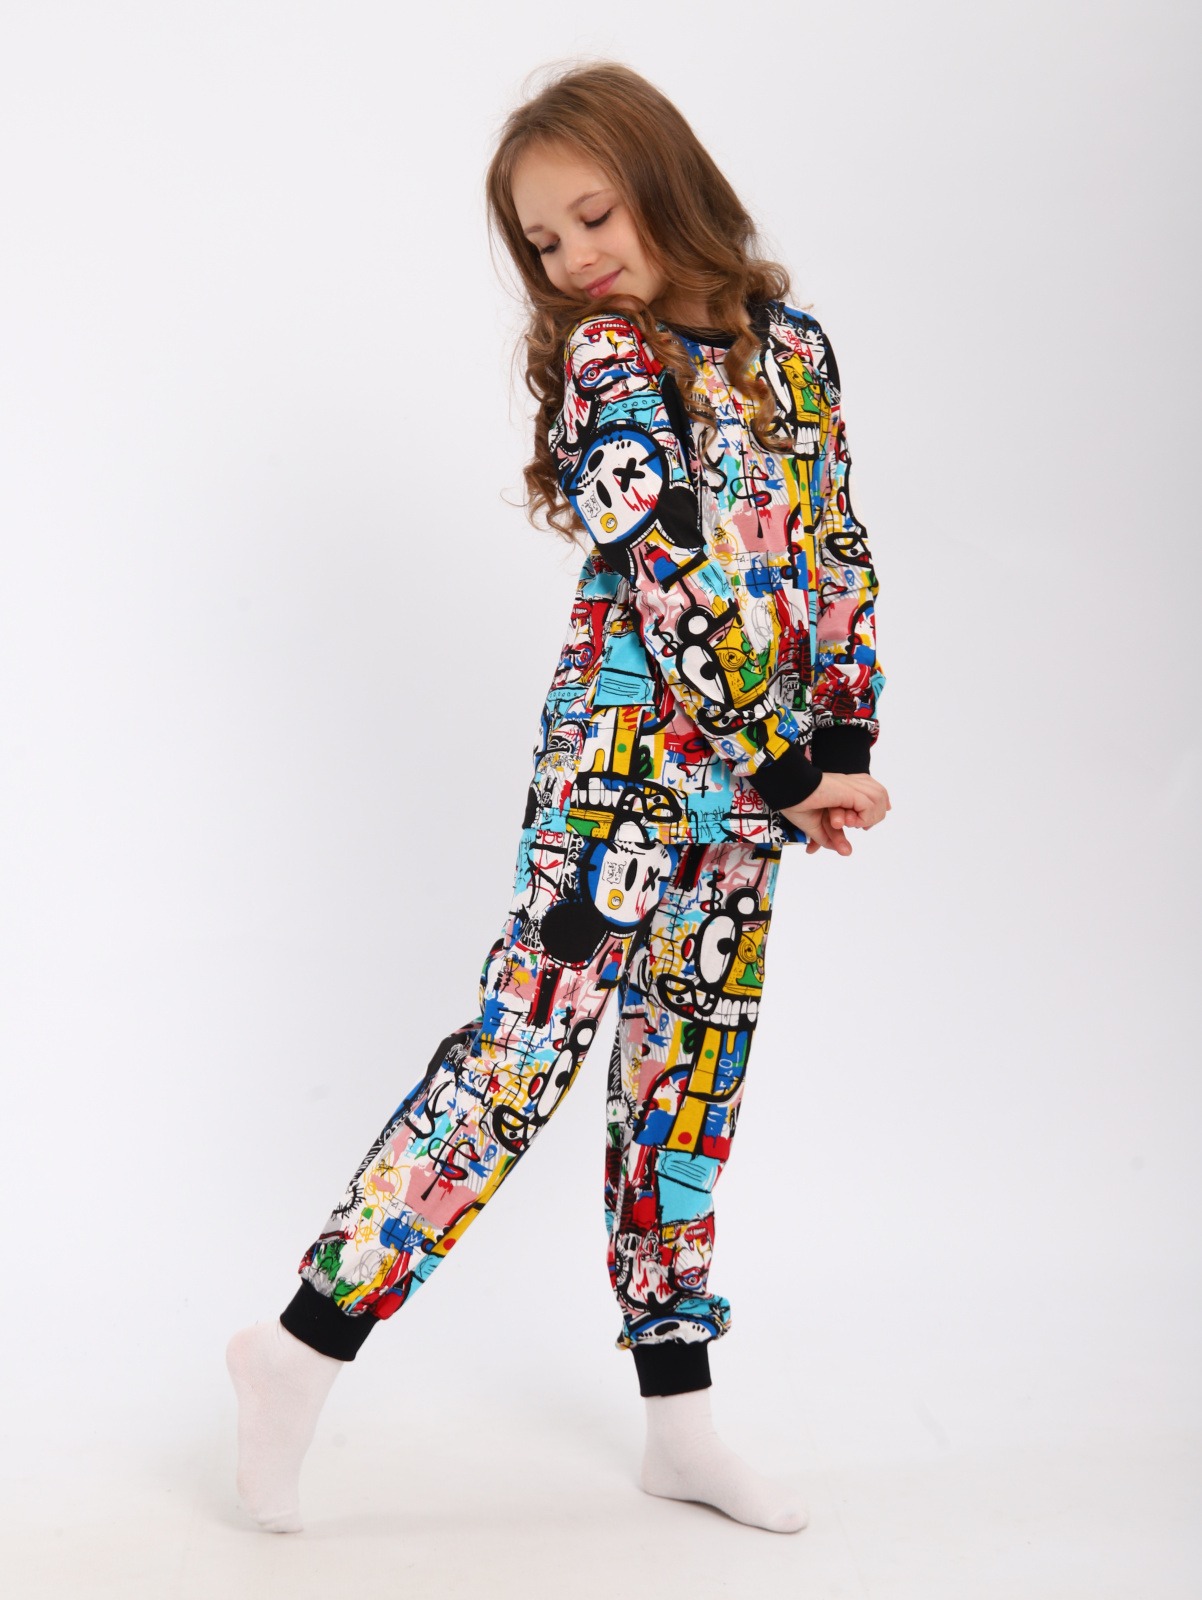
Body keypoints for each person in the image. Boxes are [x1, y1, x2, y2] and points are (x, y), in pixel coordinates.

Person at [226, 58, 890, 1538]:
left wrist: (842, 737)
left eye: (595, 215)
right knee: (515, 1067)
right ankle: (299, 1348)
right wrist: (790, 765)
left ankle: (681, 1424)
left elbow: (835, 542)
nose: (577, 256)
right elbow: (667, 567)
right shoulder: (607, 360)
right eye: (543, 241)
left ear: (667, 183)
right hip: (619, 789)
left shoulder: (794, 348)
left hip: (757, 795)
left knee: (684, 1093)